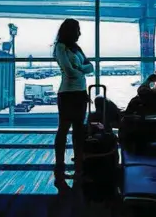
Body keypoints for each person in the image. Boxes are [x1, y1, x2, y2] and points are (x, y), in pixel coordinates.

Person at [53, 18, 94, 192]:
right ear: (70, 31)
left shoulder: (76, 49)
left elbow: (90, 67)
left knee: (78, 131)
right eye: (77, 30)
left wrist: (79, 68)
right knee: (63, 130)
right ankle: (59, 169)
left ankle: (79, 166)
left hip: (80, 93)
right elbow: (69, 72)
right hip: (68, 93)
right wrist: (79, 68)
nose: (80, 33)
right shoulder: (60, 47)